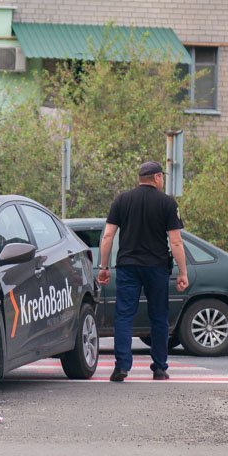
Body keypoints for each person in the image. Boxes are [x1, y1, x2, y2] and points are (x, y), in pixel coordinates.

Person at [97, 161, 189, 382]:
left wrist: (103, 267)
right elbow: (175, 242)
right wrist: (183, 272)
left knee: (124, 316)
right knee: (158, 316)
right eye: (162, 177)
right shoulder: (167, 203)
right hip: (156, 268)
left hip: (128, 267)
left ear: (140, 178)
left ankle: (122, 366)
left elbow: (108, 236)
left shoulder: (122, 200)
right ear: (157, 177)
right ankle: (159, 368)